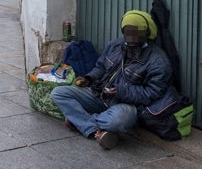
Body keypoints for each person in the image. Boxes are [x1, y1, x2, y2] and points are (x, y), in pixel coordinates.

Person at [51, 10, 172, 150]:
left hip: (126, 105)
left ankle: (81, 121)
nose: (131, 37)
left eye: (136, 33)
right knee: (59, 93)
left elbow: (151, 93)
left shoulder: (158, 61)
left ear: (147, 33)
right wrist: (89, 78)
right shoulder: (115, 45)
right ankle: (96, 128)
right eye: (128, 32)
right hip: (99, 95)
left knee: (118, 120)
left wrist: (121, 91)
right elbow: (101, 67)